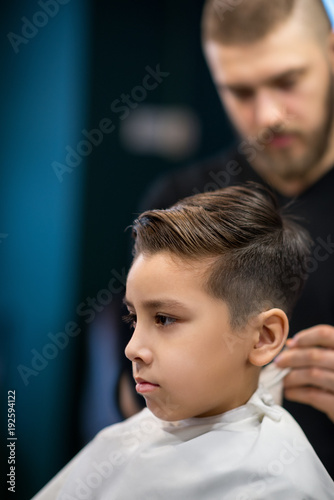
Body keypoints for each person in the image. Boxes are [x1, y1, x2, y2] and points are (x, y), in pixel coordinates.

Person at [112, 0, 334, 478]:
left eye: (287, 81)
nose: (268, 114)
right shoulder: (180, 199)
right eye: (239, 91)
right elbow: (127, 382)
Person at [33, 184, 334, 499]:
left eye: (164, 319)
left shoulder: (280, 486)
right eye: (133, 318)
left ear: (263, 338)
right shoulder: (123, 441)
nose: (131, 349)